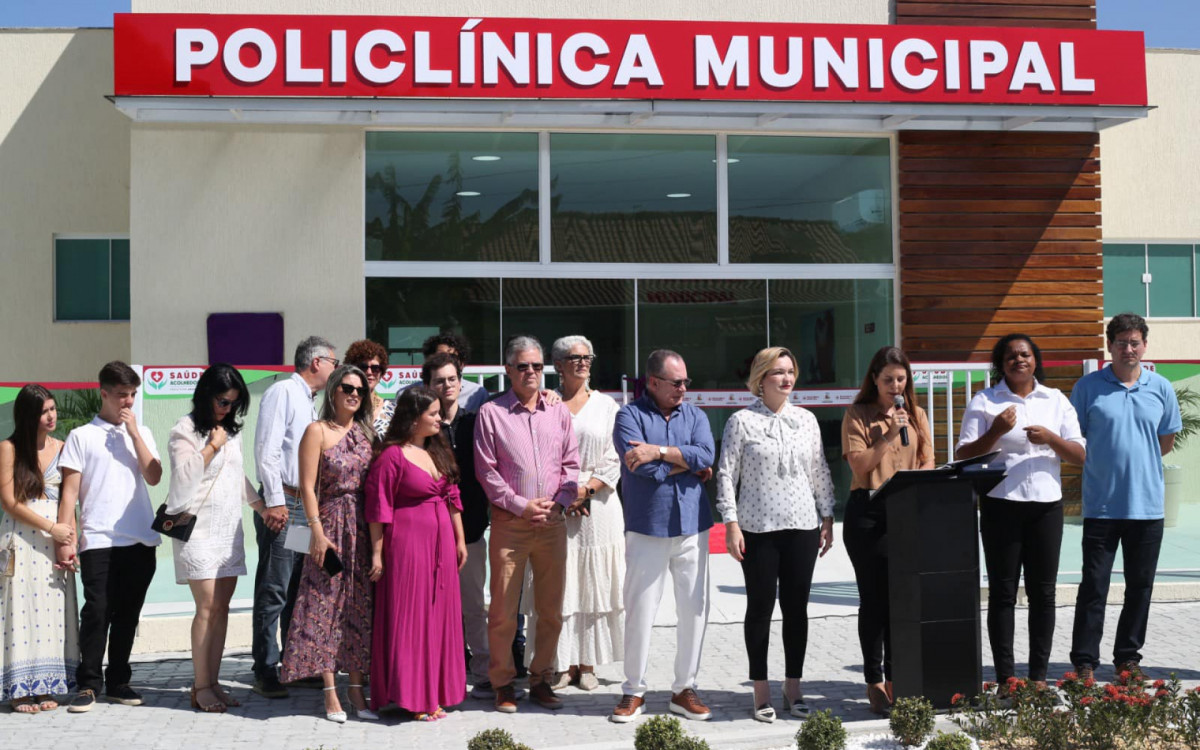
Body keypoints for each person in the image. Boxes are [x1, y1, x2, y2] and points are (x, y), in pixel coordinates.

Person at [955, 335, 1086, 688]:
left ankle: (1039, 678)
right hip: (1001, 505)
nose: (1019, 361)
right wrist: (996, 431)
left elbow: (1079, 454)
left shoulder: (1055, 400)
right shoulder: (984, 401)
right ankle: (1006, 679)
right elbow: (963, 456)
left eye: (1025, 354)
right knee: (1002, 593)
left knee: (1043, 593)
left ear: (1035, 360)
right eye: (1010, 356)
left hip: (1046, 507)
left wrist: (1051, 439)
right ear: (1001, 363)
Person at [716, 346, 835, 722]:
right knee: (761, 609)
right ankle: (761, 689)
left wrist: (828, 514)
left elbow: (819, 469)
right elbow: (725, 474)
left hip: (803, 526)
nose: (786, 379)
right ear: (760, 379)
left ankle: (793, 687)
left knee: (797, 610)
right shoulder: (741, 422)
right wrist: (730, 524)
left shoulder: (807, 420)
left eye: (790, 371)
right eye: (777, 373)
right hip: (758, 529)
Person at [1069, 313, 1181, 681]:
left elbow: (1165, 442)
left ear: (1144, 346)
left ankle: (1127, 660)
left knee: (1140, 588)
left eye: (1135, 342)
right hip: (1102, 505)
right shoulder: (1087, 388)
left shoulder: (1160, 387)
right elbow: (1075, 438)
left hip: (1147, 507)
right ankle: (1084, 662)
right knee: (1094, 587)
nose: (1128, 349)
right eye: (1121, 342)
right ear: (1109, 346)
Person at [474, 335, 580, 713]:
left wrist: (561, 502)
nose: (531, 372)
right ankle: (503, 682)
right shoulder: (492, 413)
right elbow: (487, 473)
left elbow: (571, 465)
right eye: (523, 366)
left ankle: (542, 679)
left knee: (550, 610)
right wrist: (521, 506)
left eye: (537, 366)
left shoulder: (559, 412)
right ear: (508, 370)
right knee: (503, 611)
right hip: (510, 525)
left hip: (552, 524)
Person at [610, 349, 716, 724]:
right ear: (653, 382)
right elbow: (641, 470)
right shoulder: (628, 416)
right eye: (676, 382)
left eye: (686, 381)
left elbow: (706, 454)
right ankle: (633, 690)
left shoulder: (697, 415)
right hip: (647, 527)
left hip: (693, 526)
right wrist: (685, 465)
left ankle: (683, 689)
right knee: (640, 610)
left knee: (695, 611)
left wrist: (660, 452)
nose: (684, 388)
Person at [58, 361, 164, 713]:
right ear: (104, 393)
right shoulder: (81, 436)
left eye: (133, 395)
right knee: (97, 611)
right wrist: (66, 538)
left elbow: (154, 476)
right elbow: (69, 493)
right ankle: (88, 683)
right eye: (121, 395)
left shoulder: (141, 432)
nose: (128, 402)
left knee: (128, 614)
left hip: (139, 538)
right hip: (98, 539)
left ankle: (119, 680)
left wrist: (134, 435)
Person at [523, 335, 625, 692]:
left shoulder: (608, 406)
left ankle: (588, 662)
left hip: (598, 506)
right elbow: (539, 456)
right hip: (557, 505)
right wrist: (566, 495)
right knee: (560, 583)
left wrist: (584, 490)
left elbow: (615, 458)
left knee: (593, 584)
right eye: (574, 357)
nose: (582, 362)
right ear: (558, 364)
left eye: (587, 356)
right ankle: (560, 662)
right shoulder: (546, 404)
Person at [166, 364, 267, 712]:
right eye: (222, 401)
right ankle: (200, 685)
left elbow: (238, 476)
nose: (227, 409)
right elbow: (181, 480)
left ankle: (214, 680)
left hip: (227, 528)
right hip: (196, 528)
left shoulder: (230, 431)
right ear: (206, 395)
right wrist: (210, 447)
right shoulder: (184, 430)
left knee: (222, 608)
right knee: (206, 607)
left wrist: (262, 508)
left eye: (234, 403)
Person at [279, 366, 377, 723]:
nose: (354, 394)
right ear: (333, 391)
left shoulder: (367, 434)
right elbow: (307, 486)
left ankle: (357, 688)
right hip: (330, 523)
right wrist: (316, 532)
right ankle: (329, 690)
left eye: (360, 390)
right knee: (322, 606)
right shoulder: (316, 431)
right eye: (347, 388)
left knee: (358, 606)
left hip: (362, 528)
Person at [841, 346, 934, 715]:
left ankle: (900, 678)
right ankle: (874, 680)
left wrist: (918, 477)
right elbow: (860, 466)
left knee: (902, 601)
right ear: (874, 381)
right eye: (888, 380)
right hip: (869, 513)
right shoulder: (858, 414)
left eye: (901, 378)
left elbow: (928, 460)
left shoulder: (917, 415)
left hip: (905, 511)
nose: (895, 386)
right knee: (876, 601)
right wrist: (887, 435)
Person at [367, 386, 468, 721]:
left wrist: (460, 540)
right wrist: (378, 554)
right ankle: (412, 696)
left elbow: (453, 497)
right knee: (411, 619)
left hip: (442, 546)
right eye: (433, 414)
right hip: (407, 546)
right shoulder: (392, 456)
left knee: (439, 617)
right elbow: (378, 507)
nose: (440, 418)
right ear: (413, 418)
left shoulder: (438, 451)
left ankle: (435, 692)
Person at [251, 336, 338, 698]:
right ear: (316, 362)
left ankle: (293, 664)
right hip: (285, 505)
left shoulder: (310, 401)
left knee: (293, 587)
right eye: (334, 361)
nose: (336, 368)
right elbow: (266, 450)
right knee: (274, 587)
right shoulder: (284, 392)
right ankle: (264, 668)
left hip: (304, 508)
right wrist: (273, 502)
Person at [0, 385, 79, 713]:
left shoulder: (63, 448)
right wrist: (52, 529)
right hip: (22, 538)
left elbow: (69, 500)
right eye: (44, 411)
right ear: (28, 415)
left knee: (52, 610)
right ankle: (19, 690)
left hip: (55, 540)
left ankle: (47, 683)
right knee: (20, 611)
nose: (51, 416)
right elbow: (8, 502)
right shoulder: (9, 448)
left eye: (53, 408)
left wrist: (69, 540)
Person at [420, 352, 492, 699]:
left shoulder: (477, 420)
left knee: (474, 605)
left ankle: (482, 671)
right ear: (428, 385)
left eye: (451, 379)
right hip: (431, 531)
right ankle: (441, 672)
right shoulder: (423, 428)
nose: (446, 386)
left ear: (460, 382)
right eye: (438, 381)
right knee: (436, 605)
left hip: (473, 527)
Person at [402, 332, 489, 413]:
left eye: (453, 357)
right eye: (441, 356)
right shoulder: (409, 395)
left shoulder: (478, 394)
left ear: (462, 363)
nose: (446, 360)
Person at [346, 338, 396, 435]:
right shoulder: (344, 408)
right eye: (363, 367)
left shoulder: (393, 410)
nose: (369, 372)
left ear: (381, 372)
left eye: (375, 368)